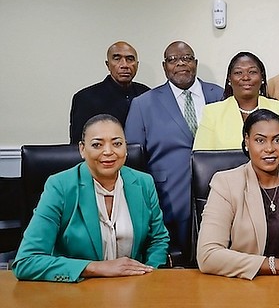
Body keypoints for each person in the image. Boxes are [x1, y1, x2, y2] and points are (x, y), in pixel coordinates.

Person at [13, 114, 170, 282]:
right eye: (97, 145)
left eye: (117, 143)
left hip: (133, 289)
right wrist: (96, 268)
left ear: (126, 148)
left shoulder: (143, 183)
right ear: (82, 149)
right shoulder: (60, 186)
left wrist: (149, 273)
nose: (109, 152)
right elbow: (26, 262)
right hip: (77, 290)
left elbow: (158, 239)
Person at [197, 109, 279, 279]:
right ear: (247, 141)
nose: (270, 148)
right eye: (260, 140)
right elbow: (208, 255)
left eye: (277, 140)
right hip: (250, 287)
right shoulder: (226, 183)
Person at [125, 40, 224, 259]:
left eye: (187, 58)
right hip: (167, 196)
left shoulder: (218, 95)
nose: (181, 63)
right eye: (173, 60)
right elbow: (133, 159)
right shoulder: (144, 103)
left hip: (217, 192)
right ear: (164, 66)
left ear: (195, 63)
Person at [193, 51, 279, 150]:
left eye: (252, 72)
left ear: (262, 78)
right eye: (238, 73)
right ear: (229, 79)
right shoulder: (212, 112)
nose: (245, 77)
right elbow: (201, 158)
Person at [69, 41, 150, 144]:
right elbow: (78, 145)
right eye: (117, 59)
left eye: (130, 59)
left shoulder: (147, 94)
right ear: (108, 64)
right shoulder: (85, 98)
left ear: (137, 65)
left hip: (143, 158)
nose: (124, 65)